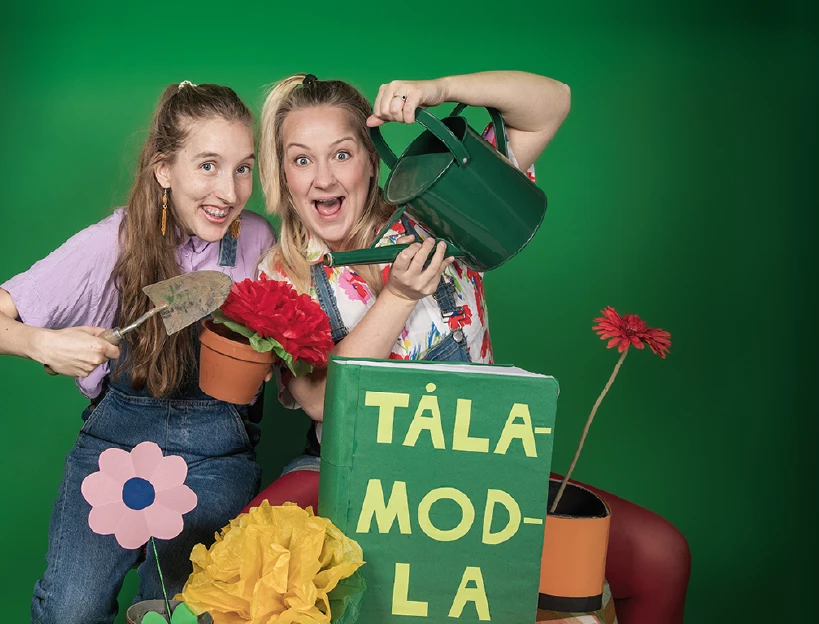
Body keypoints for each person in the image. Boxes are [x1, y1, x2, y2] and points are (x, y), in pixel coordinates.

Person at [247, 71, 690, 623]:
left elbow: (551, 104)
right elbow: (319, 400)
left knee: (659, 556)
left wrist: (440, 90)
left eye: (341, 154)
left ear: (370, 160)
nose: (323, 177)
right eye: (301, 159)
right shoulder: (281, 272)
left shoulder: (441, 205)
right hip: (350, 477)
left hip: (476, 473)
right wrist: (399, 297)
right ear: (283, 174)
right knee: (246, 562)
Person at [0, 81, 276, 624]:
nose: (229, 190)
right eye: (208, 166)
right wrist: (43, 342)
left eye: (243, 168)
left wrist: (272, 357)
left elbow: (287, 349)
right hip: (117, 447)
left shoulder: (257, 239)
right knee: (69, 610)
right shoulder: (114, 241)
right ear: (164, 170)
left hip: (216, 455)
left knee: (174, 611)